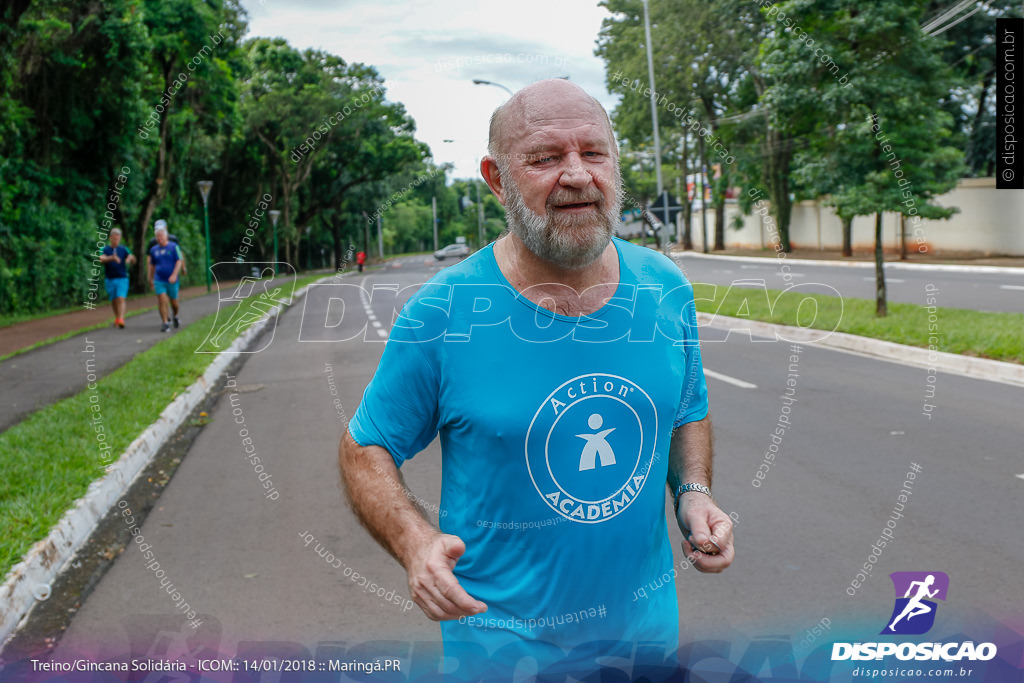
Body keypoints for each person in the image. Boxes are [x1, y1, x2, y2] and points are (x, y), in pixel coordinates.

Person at [339, 79, 734, 680]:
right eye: (545, 158)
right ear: (497, 178)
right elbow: (364, 447)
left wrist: (694, 493)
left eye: (593, 152)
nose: (576, 175)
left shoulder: (665, 286)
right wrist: (415, 544)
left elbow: (685, 408)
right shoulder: (444, 312)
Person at [148, 224, 183, 332]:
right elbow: (152, 265)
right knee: (162, 299)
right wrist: (150, 278)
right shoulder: (154, 250)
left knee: (174, 302)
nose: (160, 238)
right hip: (159, 279)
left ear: (166, 236)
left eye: (161, 236)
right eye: (158, 237)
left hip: (172, 280)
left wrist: (174, 274)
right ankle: (165, 322)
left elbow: (179, 261)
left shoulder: (173, 247)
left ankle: (175, 315)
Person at [98, 227, 135, 328]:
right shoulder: (105, 249)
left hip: (122, 278)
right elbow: (101, 258)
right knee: (114, 300)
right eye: (114, 239)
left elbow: (132, 257)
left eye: (118, 239)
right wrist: (112, 258)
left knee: (120, 298)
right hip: (110, 278)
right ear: (110, 238)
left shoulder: (123, 249)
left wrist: (129, 258)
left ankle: (121, 318)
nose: (116, 241)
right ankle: (117, 317)